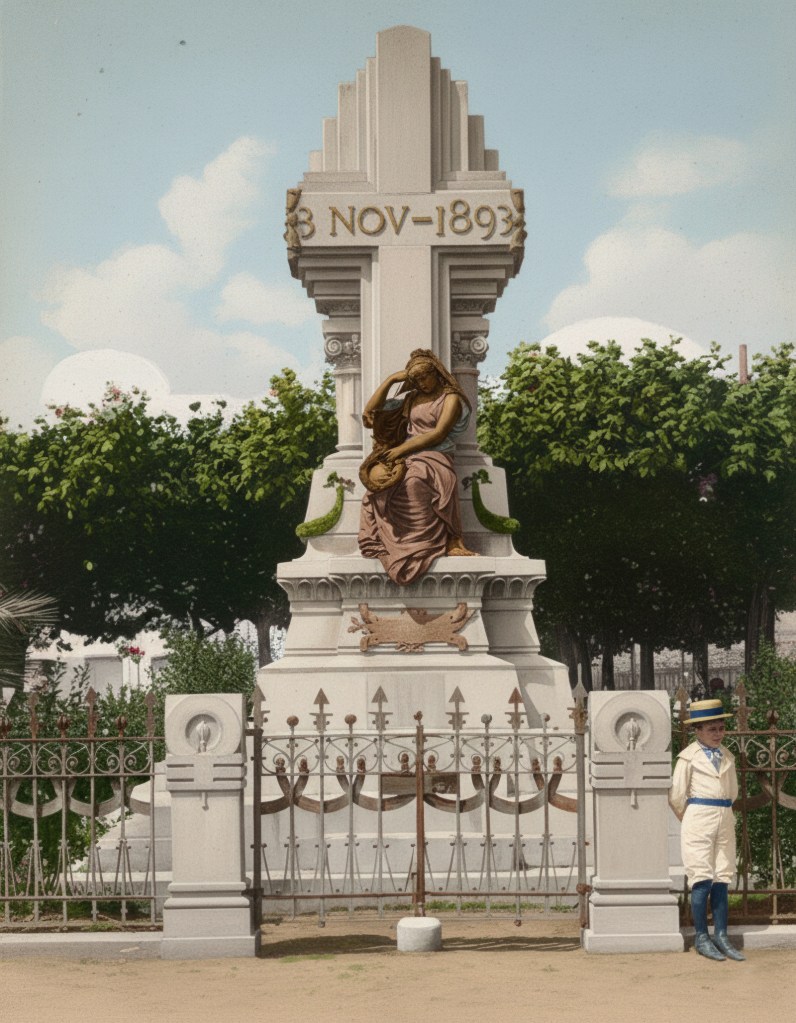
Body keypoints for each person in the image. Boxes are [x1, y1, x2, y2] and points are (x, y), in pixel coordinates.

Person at [358, 348, 476, 585]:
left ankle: (425, 546)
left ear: (436, 373)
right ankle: (394, 544)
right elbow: (370, 412)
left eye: (425, 377)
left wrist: (401, 450)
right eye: (417, 379)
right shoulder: (411, 398)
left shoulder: (450, 397)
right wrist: (391, 379)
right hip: (407, 454)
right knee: (380, 487)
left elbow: (438, 433)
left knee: (415, 481)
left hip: (435, 454)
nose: (422, 383)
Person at [669, 698, 745, 961]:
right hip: (699, 816)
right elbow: (677, 796)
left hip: (724, 814)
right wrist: (692, 820)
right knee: (701, 876)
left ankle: (721, 935)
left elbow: (732, 792)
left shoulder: (727, 756)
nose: (718, 734)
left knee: (722, 874)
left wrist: (722, 812)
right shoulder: (687, 759)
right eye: (711, 729)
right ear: (698, 731)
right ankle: (702, 936)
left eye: (721, 728)